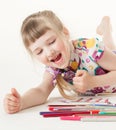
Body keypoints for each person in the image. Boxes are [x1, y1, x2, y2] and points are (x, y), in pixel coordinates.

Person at [3, 10, 116, 114]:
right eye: (39, 51)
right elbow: (41, 91)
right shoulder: (53, 68)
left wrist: (93, 82)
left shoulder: (91, 50)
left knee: (109, 47)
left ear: (65, 33)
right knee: (109, 47)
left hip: (109, 61)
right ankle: (106, 28)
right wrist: (22, 102)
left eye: (51, 42)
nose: (49, 53)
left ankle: (106, 28)